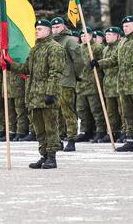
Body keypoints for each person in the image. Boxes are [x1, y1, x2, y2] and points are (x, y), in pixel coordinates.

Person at [94, 16, 133, 153]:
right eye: (124, 26)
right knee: (127, 114)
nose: (125, 28)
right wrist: (98, 63)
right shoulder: (122, 42)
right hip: (123, 84)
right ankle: (131, 140)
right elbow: (114, 59)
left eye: (127, 26)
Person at [12, 19, 65, 169]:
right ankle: (44, 155)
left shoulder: (55, 49)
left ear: (49, 31)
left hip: (47, 96)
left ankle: (52, 157)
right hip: (34, 96)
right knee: (39, 129)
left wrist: (51, 93)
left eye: (40, 29)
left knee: (50, 127)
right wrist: (10, 65)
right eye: (36, 29)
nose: (37, 31)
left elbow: (55, 73)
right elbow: (26, 69)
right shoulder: (35, 49)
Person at [51, 17, 84, 152]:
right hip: (53, 82)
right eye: (53, 28)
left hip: (66, 82)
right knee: (55, 112)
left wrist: (75, 76)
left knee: (68, 111)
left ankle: (71, 139)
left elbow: (79, 61)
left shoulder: (69, 41)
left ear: (64, 27)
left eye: (57, 27)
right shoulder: (51, 42)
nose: (55, 30)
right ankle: (58, 138)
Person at [98, 27, 122, 142]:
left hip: (118, 83)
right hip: (108, 84)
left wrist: (99, 63)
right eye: (106, 34)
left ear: (117, 36)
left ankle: (124, 132)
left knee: (122, 110)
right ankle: (112, 132)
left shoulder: (120, 47)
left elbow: (114, 60)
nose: (107, 36)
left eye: (110, 34)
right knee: (111, 112)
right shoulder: (105, 49)